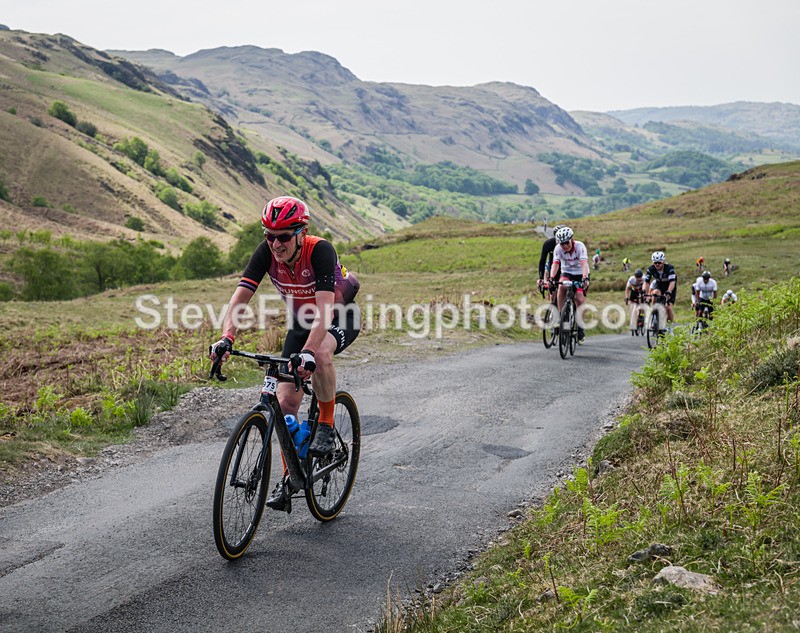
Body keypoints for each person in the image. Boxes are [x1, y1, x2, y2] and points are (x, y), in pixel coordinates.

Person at [209, 196, 361, 511]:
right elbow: (239, 299)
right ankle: (290, 475)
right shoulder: (266, 253)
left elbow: (324, 314)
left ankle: (327, 427)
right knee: (284, 404)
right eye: (269, 236)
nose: (275, 244)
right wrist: (226, 337)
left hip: (338, 315)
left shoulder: (319, 251)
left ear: (300, 233)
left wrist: (306, 353)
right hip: (301, 322)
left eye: (283, 237)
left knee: (319, 356)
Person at [548, 226, 590, 343]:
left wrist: (585, 278)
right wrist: (551, 278)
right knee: (561, 287)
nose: (565, 246)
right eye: (562, 244)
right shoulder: (558, 249)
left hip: (580, 273)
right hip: (567, 272)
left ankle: (580, 327)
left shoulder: (580, 247)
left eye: (567, 243)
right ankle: (561, 315)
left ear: (572, 239)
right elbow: (555, 264)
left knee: (580, 300)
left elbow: (584, 263)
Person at [643, 251, 677, 332]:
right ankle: (654, 314)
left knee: (668, 308)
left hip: (670, 286)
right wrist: (644, 292)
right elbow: (646, 282)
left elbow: (672, 282)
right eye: (655, 263)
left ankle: (669, 326)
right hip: (659, 285)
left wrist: (669, 291)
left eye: (659, 263)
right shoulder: (651, 269)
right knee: (654, 294)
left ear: (663, 262)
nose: (657, 264)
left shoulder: (670, 268)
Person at [536, 225, 565, 301]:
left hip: (566, 269)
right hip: (554, 269)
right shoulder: (548, 244)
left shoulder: (569, 244)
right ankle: (553, 310)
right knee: (553, 295)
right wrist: (541, 278)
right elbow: (542, 261)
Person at [625, 268, 646, 335]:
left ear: (642, 276)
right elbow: (627, 289)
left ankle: (642, 316)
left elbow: (648, 287)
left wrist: (647, 297)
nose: (638, 279)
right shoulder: (631, 279)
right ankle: (633, 322)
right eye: (637, 277)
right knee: (634, 308)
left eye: (640, 277)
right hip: (634, 292)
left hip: (642, 291)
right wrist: (626, 297)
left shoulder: (645, 279)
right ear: (635, 276)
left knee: (642, 305)